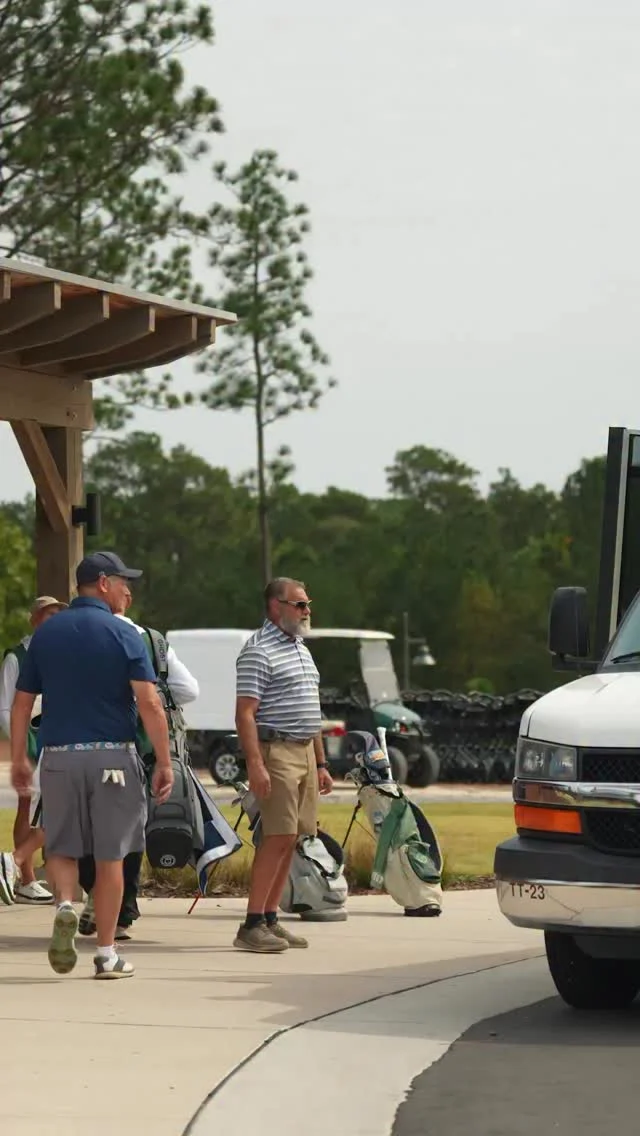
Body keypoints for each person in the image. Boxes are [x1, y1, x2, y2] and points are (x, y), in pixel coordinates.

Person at [10, 551, 174, 980]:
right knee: (111, 857)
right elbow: (150, 702)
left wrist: (20, 758)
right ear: (102, 583)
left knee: (61, 847)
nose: (128, 590)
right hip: (113, 756)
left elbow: (21, 702)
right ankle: (105, 953)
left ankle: (64, 903)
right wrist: (165, 761)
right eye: (123, 582)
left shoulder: (46, 635)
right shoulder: (124, 634)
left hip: (59, 758)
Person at [77, 585, 199, 940]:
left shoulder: (76, 638)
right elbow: (189, 690)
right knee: (127, 836)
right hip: (140, 752)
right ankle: (121, 913)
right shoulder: (149, 640)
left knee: (85, 830)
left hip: (85, 746)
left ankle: (94, 895)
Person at [234, 576, 333, 953]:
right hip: (276, 751)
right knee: (276, 837)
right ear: (276, 606)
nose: (308, 611)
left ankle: (271, 918)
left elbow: (313, 708)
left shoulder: (300, 648)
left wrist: (321, 762)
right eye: (300, 604)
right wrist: (255, 764)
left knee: (293, 837)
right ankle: (251, 924)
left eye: (307, 604)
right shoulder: (258, 650)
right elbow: (245, 713)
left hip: (305, 751)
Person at [0, 596, 68, 905]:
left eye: (58, 615)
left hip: (54, 736)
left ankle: (25, 871)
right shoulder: (17, 657)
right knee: (30, 806)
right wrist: (20, 745)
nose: (54, 620)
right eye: (49, 614)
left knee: (50, 807)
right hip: (31, 737)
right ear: (35, 619)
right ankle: (23, 875)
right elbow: (6, 707)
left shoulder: (60, 652)